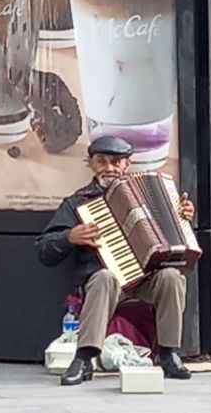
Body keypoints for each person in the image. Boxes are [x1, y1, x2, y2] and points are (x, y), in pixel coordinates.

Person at [36, 135, 196, 386]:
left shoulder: (149, 194)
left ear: (127, 165)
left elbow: (176, 234)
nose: (109, 168)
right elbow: (44, 250)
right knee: (105, 276)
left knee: (171, 277)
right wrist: (69, 237)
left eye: (116, 161)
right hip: (105, 284)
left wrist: (184, 217)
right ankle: (84, 358)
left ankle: (168, 353)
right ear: (90, 163)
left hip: (144, 280)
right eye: (102, 161)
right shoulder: (77, 203)